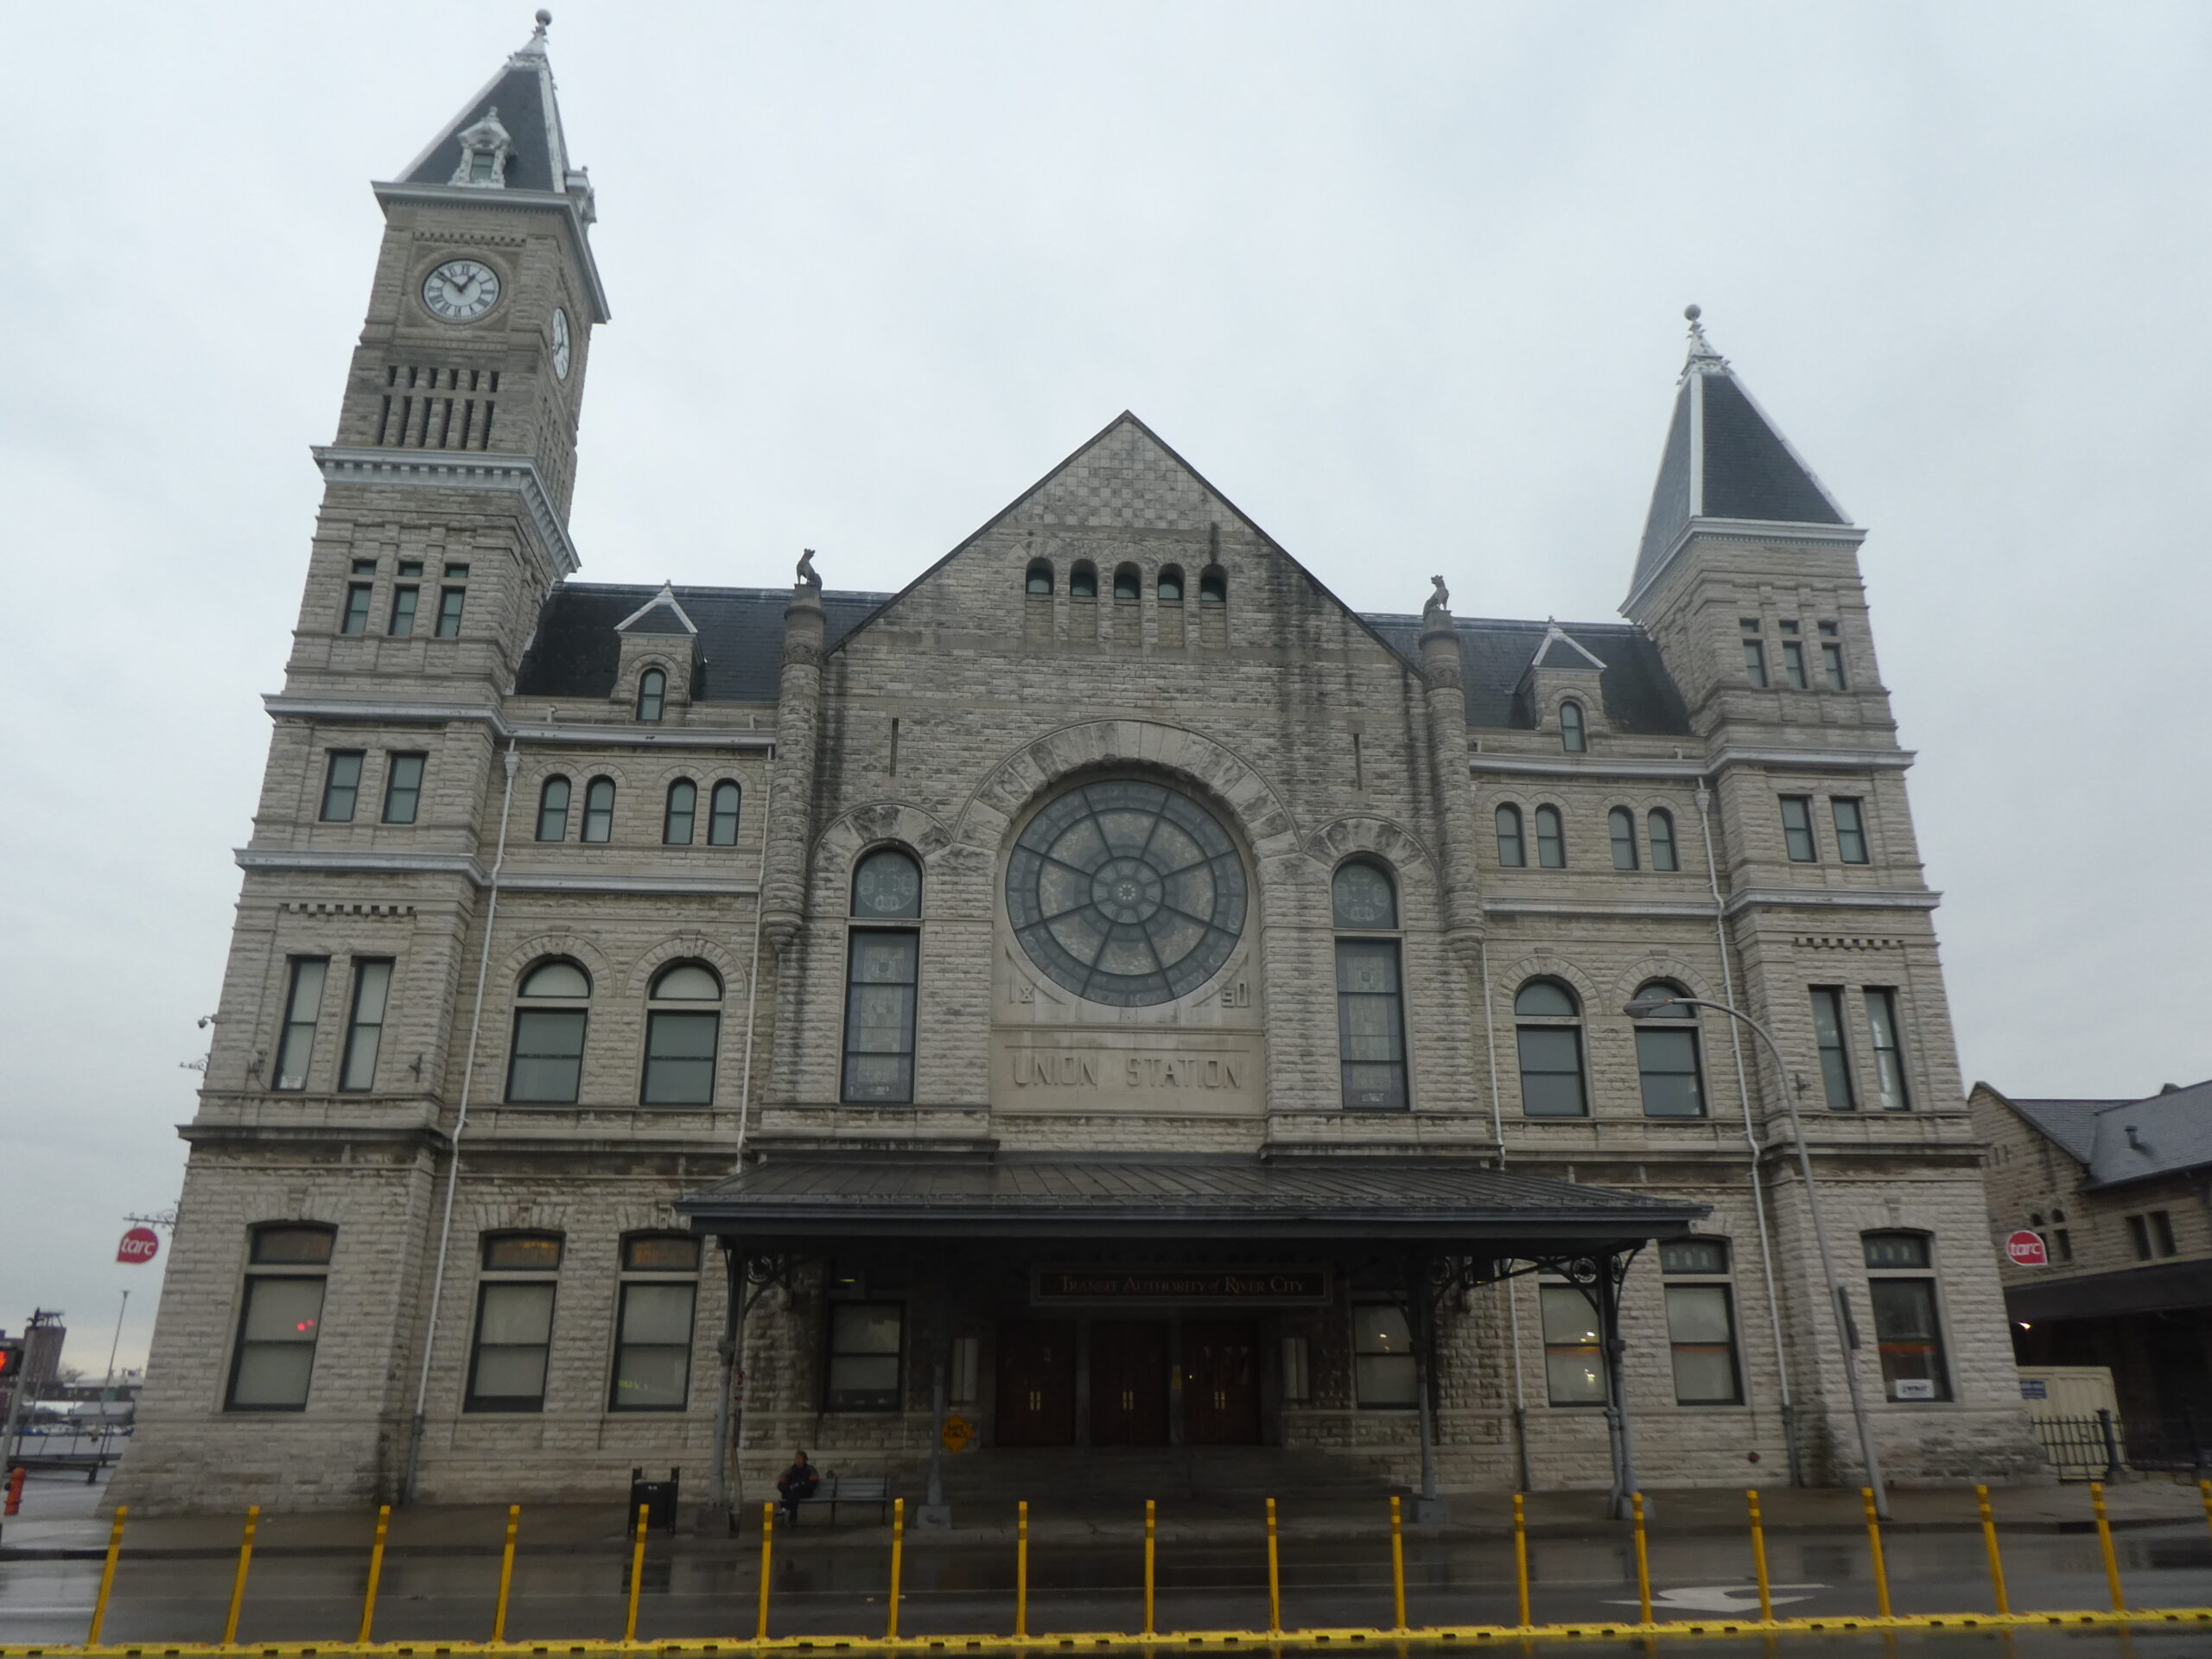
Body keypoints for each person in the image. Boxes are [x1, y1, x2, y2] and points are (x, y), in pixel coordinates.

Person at [776, 1448, 819, 1524]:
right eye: (796, 1458)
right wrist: (787, 1487)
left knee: (794, 1491)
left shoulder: (810, 1470)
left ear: (804, 1460)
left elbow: (813, 1483)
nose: (797, 1460)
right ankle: (792, 1517)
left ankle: (784, 1509)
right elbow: (781, 1482)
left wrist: (801, 1485)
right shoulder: (790, 1470)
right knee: (791, 1493)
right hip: (792, 1492)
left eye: (799, 1458)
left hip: (805, 1492)